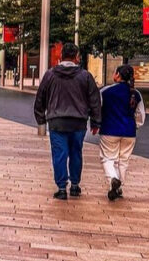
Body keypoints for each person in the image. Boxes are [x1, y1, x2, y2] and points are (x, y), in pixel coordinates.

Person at [33, 42, 101, 200]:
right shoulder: (85, 76)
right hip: (78, 123)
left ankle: (62, 187)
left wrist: (41, 118)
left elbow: (40, 98)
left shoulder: (50, 75)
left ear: (60, 55)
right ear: (77, 57)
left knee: (59, 154)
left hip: (57, 122)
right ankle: (75, 186)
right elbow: (95, 100)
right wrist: (96, 122)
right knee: (76, 153)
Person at [99, 64, 145, 202]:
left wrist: (97, 122)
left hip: (109, 129)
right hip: (129, 131)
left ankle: (113, 178)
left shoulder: (106, 91)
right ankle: (118, 187)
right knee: (123, 160)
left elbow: (98, 108)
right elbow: (140, 114)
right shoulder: (135, 94)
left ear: (118, 75)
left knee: (107, 158)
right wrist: (135, 125)